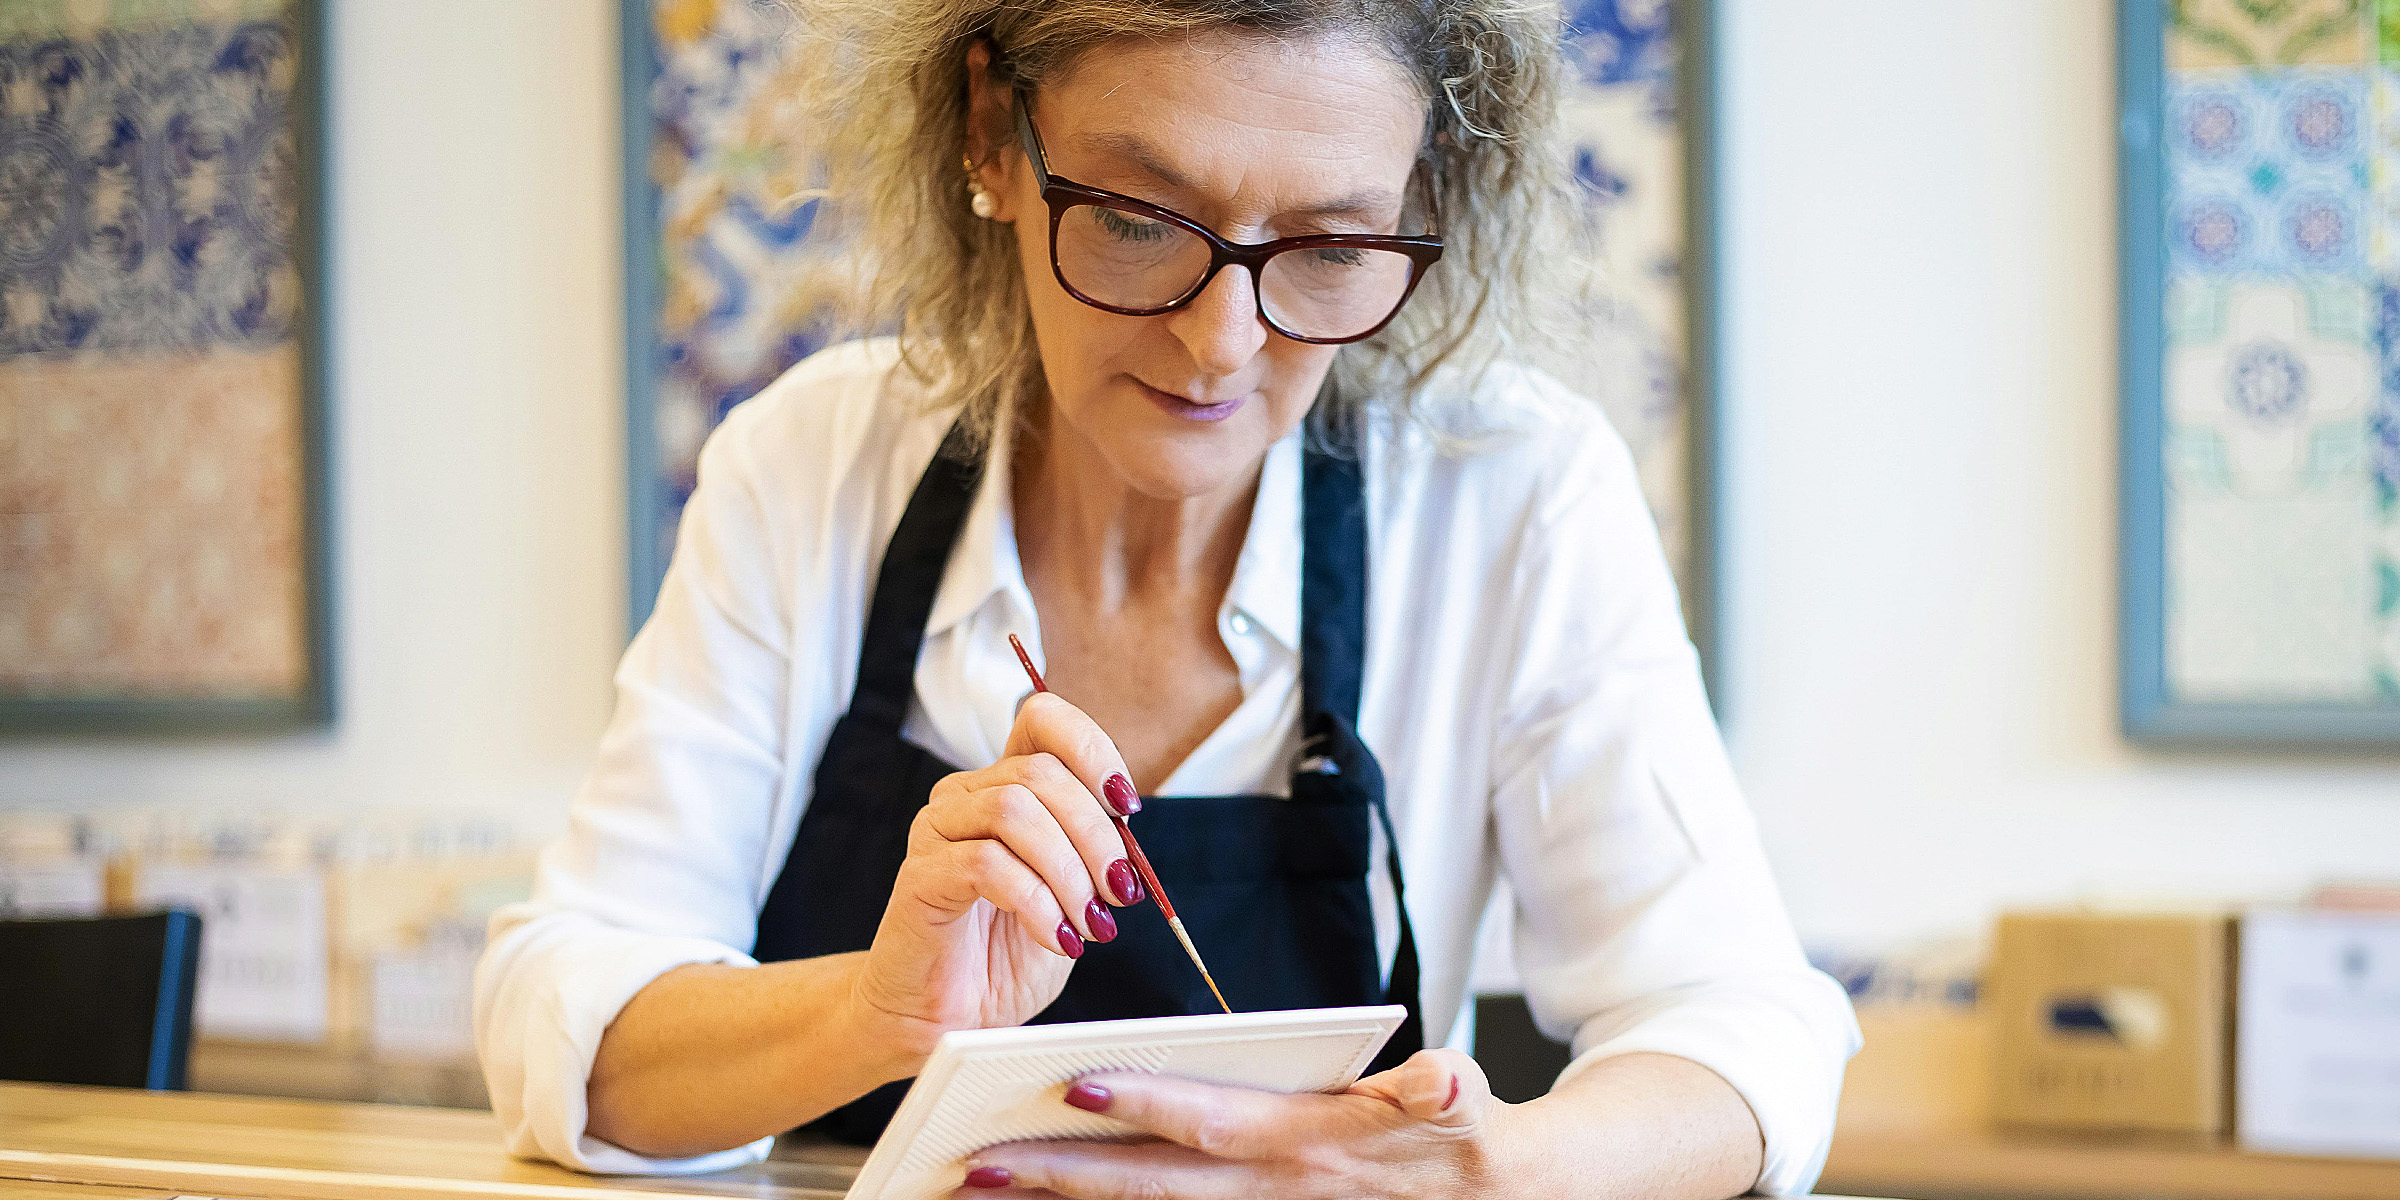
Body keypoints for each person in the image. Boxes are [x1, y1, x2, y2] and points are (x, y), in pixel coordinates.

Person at [475, 2, 1860, 1196]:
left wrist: (1489, 1169)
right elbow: (564, 1022)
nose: (1220, 343)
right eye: (1138, 222)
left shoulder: (1514, 495)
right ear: (991, 135)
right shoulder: (811, 468)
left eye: (1329, 247)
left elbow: (1747, 1034)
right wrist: (874, 1012)